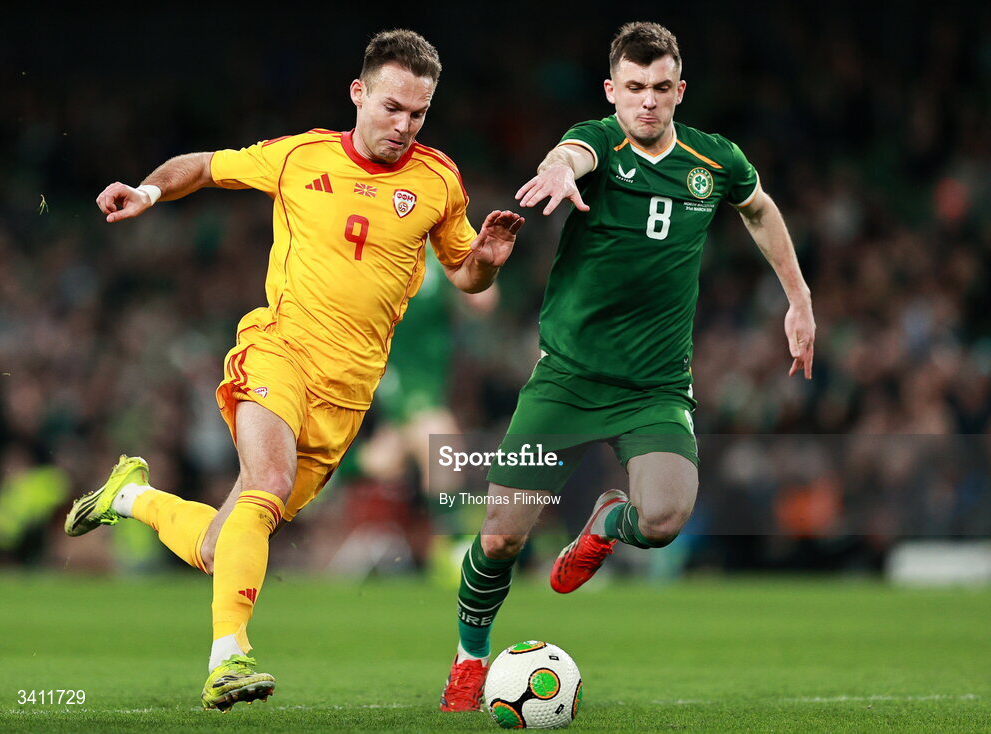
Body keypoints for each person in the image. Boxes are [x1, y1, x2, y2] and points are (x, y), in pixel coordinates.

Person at [64, 29, 523, 712]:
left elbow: (464, 276)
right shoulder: (300, 155)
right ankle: (229, 660)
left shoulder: (438, 180)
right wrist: (147, 192)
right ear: (358, 93)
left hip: (349, 393)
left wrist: (485, 259)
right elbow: (204, 165)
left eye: (418, 113)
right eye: (392, 107)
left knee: (230, 543)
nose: (403, 125)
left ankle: (129, 496)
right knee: (268, 483)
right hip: (278, 350)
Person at [439, 21, 815, 711]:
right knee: (498, 537)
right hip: (566, 378)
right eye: (633, 88)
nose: (647, 102)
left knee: (666, 517)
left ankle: (609, 521)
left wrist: (799, 299)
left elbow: (758, 210)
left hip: (655, 386)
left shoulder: (713, 160)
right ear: (612, 90)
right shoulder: (600, 143)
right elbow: (572, 153)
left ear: (679, 90)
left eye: (660, 88)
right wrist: (557, 168)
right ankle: (469, 658)